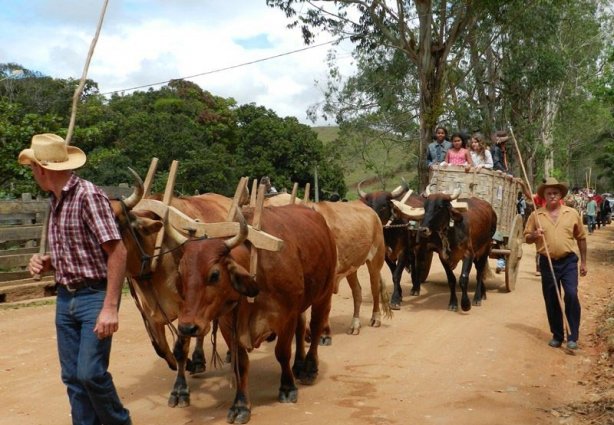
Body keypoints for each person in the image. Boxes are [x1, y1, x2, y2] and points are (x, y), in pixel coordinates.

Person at [19, 133, 132, 425]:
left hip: (94, 297)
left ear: (42, 169)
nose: (32, 173)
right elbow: (77, 251)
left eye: (33, 167)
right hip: (65, 298)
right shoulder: (54, 201)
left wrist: (110, 307)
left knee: (90, 374)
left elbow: (118, 251)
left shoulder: (88, 196)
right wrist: (47, 263)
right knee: (72, 378)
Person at [523, 177, 587, 350]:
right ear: (544, 195)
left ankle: (573, 336)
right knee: (552, 299)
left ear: (560, 195)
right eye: (549, 193)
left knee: (571, 295)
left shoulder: (571, 213)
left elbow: (581, 238)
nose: (552, 195)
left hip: (568, 261)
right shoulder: (536, 215)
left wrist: (584, 263)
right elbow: (527, 238)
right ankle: (557, 335)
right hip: (547, 262)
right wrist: (535, 235)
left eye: (555, 193)